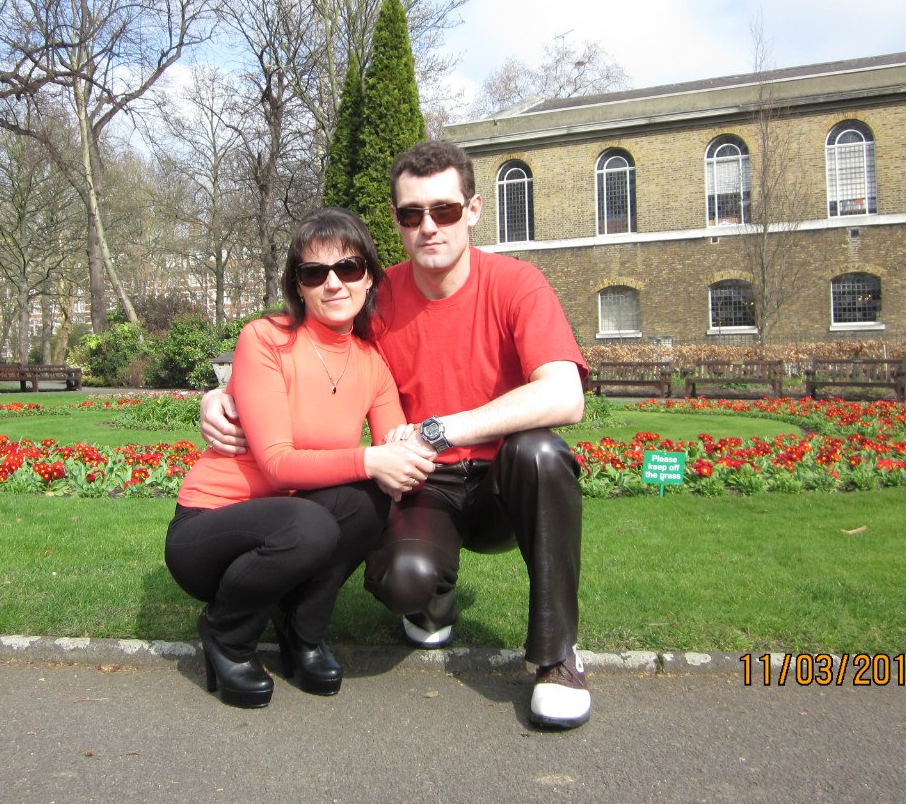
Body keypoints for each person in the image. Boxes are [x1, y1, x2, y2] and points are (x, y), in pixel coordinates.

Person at [202, 140, 592, 730]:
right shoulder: (376, 296)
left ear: (474, 210)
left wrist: (444, 428)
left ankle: (558, 657)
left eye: (445, 210)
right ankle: (432, 600)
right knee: (402, 580)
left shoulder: (517, 284)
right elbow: (300, 331)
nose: (429, 226)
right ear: (397, 221)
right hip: (422, 482)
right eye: (412, 214)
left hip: (503, 487)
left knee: (540, 451)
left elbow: (565, 395)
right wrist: (217, 395)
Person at [166, 207, 437, 710]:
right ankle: (227, 634)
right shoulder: (265, 339)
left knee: (369, 502)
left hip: (291, 530)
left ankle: (301, 631)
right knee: (312, 521)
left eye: (348, 268)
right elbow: (275, 462)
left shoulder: (372, 364)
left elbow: (394, 460)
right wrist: (373, 458)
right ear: (299, 286)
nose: (333, 283)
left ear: (369, 277)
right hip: (211, 528)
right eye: (315, 273)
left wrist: (406, 455)